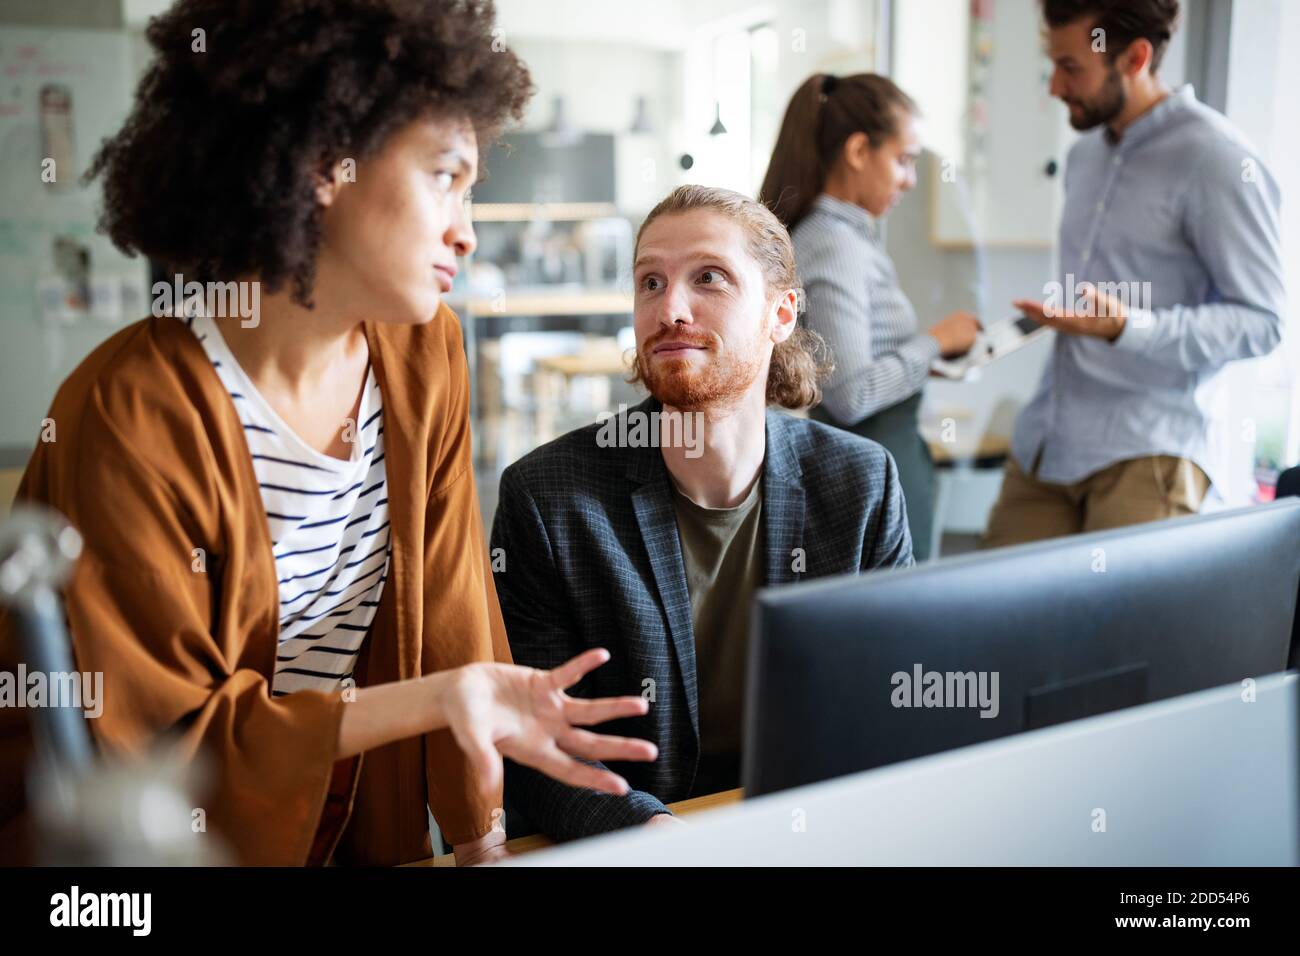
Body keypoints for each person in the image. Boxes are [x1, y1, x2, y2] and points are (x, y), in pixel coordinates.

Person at [0, 0, 656, 867]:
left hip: (354, 827)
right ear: (322, 164)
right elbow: (155, 749)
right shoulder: (130, 410)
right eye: (443, 177)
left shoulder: (427, 352)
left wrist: (480, 840)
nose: (466, 228)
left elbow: (457, 610)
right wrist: (429, 703)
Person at [492, 185, 913, 841]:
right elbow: (538, 751)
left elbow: (893, 704)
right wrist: (657, 837)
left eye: (707, 278)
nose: (671, 309)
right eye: (650, 282)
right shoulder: (548, 497)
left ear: (782, 312)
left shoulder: (860, 483)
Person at [983, 0, 1284, 546]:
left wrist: (1131, 327)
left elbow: (1264, 321)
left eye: (1071, 68)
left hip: (1149, 453)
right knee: (990, 623)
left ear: (1136, 57)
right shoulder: (1082, 158)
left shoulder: (1216, 158)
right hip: (1048, 444)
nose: (1054, 87)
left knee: (1122, 634)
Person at [761, 73, 981, 560]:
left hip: (878, 461)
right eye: (903, 161)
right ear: (859, 151)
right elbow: (851, 394)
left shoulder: (848, 237)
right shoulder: (834, 242)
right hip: (870, 466)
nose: (910, 179)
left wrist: (930, 358)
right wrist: (934, 343)